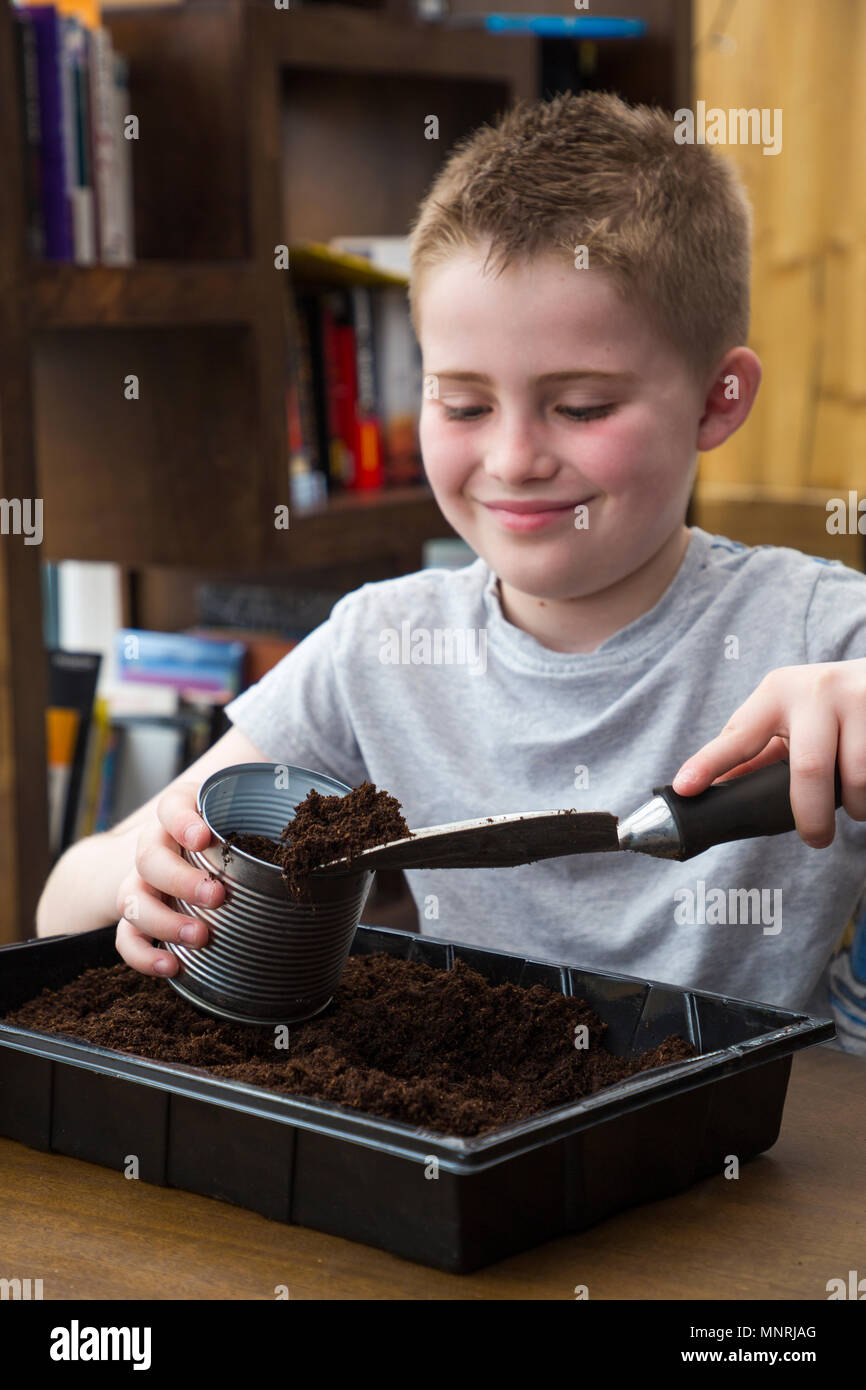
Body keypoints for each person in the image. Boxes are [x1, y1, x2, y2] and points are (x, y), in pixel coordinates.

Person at [36, 91, 866, 1026]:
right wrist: (141, 882)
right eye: (464, 406)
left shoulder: (821, 635)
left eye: (582, 407)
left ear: (719, 398)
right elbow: (61, 899)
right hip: (470, 1147)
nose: (512, 459)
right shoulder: (384, 648)